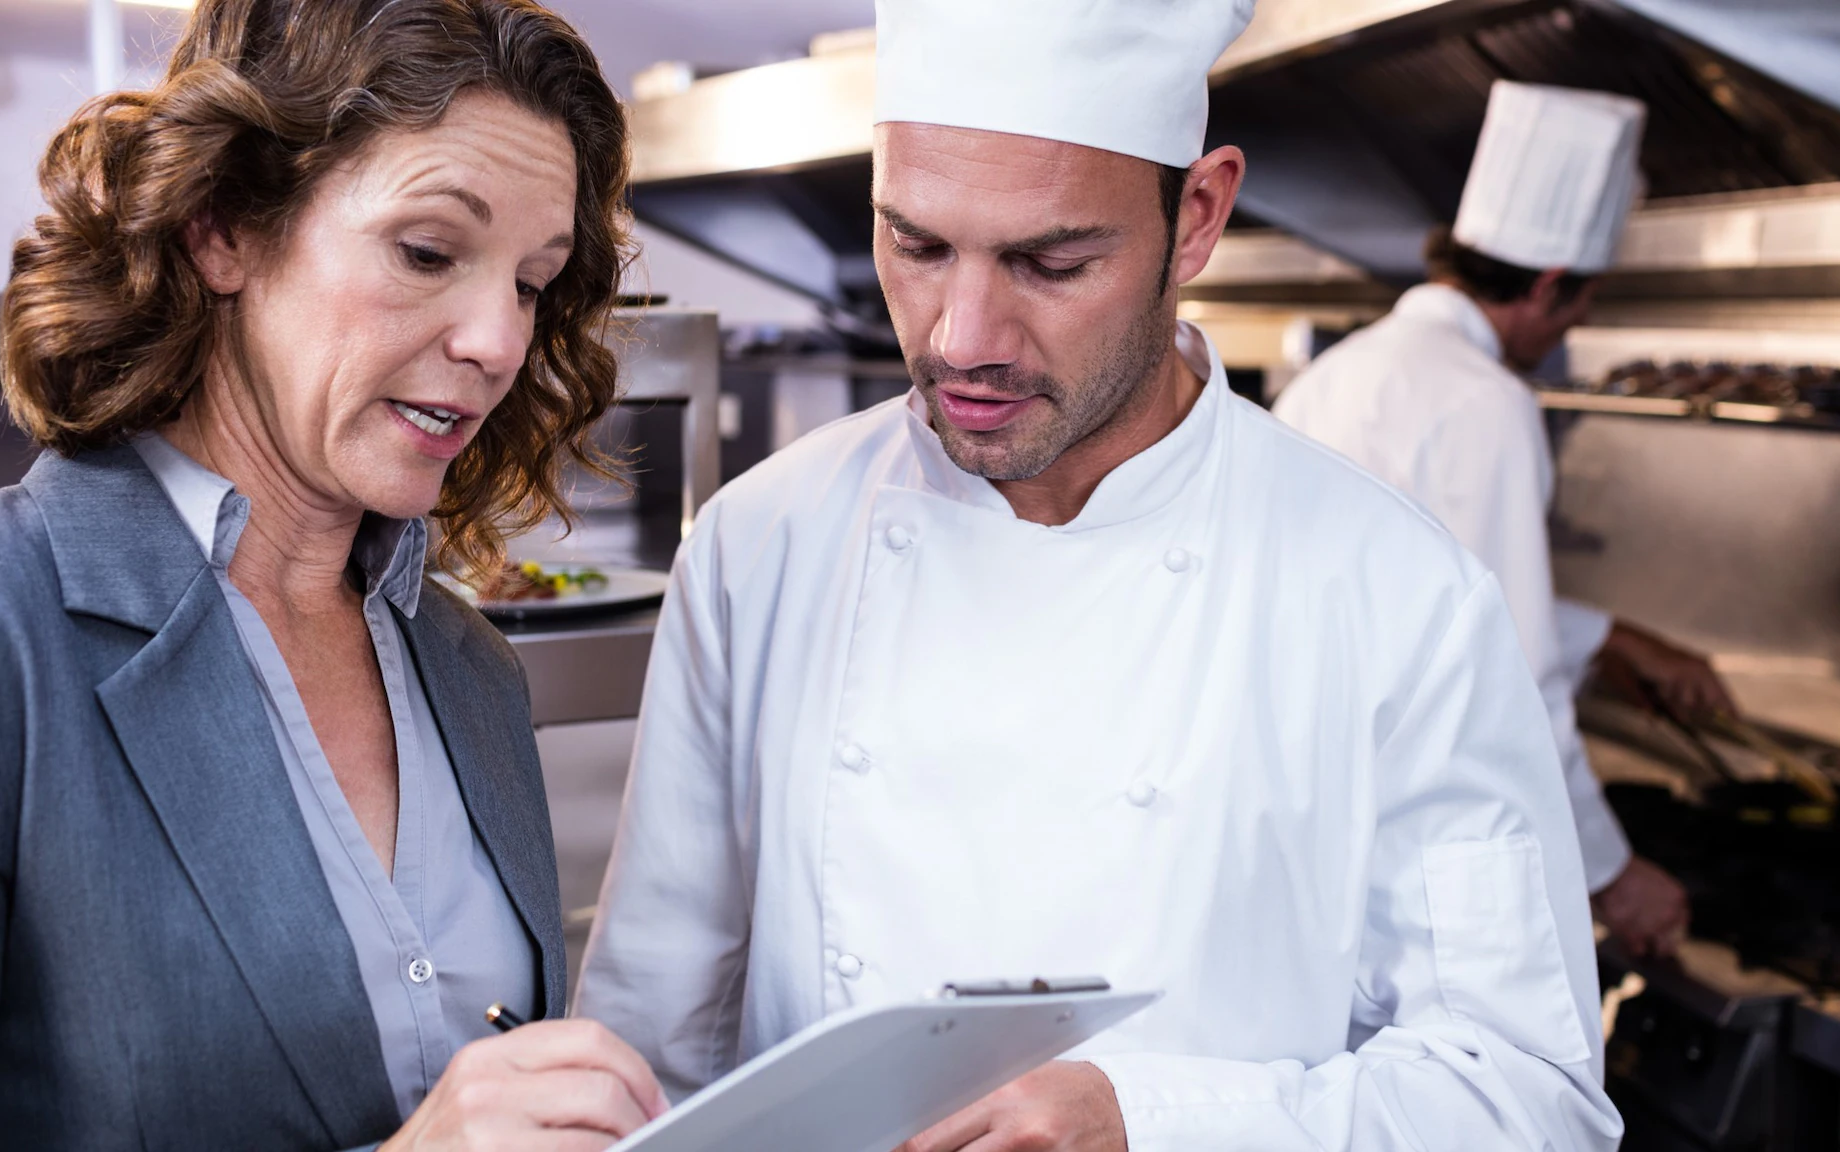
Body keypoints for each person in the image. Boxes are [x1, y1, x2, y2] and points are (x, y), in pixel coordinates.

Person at [577, 1, 1623, 1148]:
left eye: (1050, 260)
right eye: (916, 245)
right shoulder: (756, 547)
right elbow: (640, 1060)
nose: (961, 336)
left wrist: (1156, 1126)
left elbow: (1527, 1097)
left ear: (1197, 218)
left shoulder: (1395, 596)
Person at [0, 2, 666, 1147]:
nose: (498, 342)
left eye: (529, 282)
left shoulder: (470, 670)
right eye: (428, 252)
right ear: (222, 228)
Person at [1276, 81, 1736, 960]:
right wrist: (1608, 873)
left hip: (1315, 817)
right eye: (1586, 299)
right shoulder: (1485, 401)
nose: (1585, 319)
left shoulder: (1343, 372)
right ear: (1552, 286)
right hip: (1410, 838)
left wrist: (1611, 640)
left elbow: (1415, 604)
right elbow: (1509, 671)